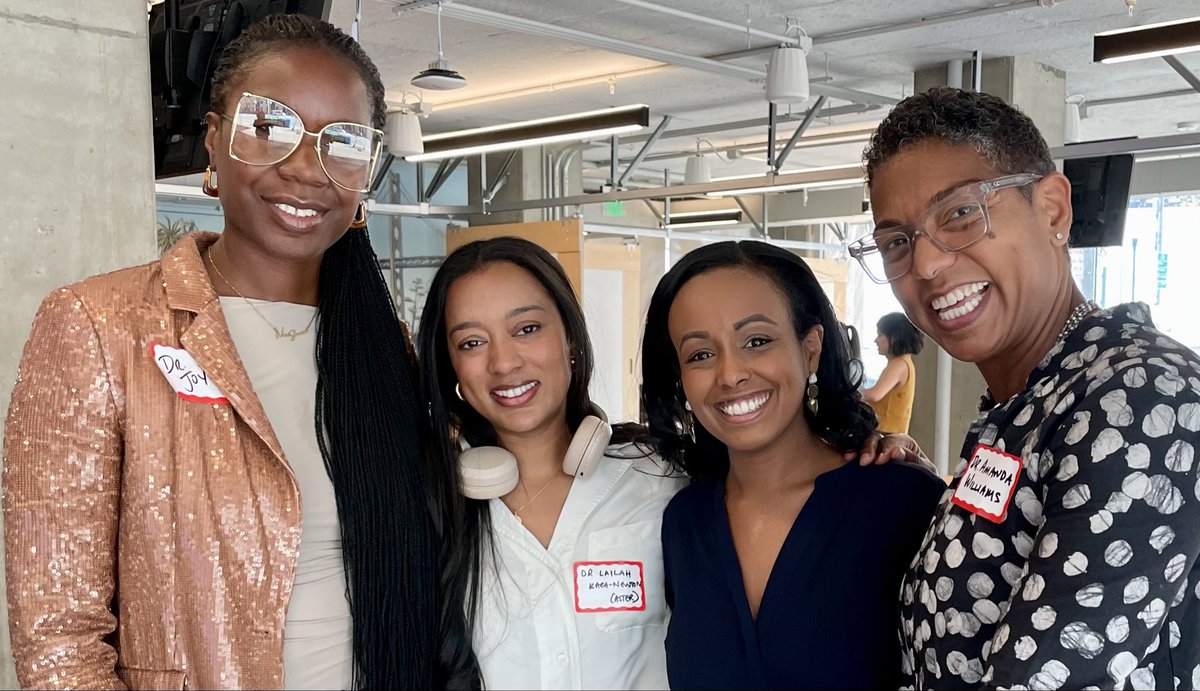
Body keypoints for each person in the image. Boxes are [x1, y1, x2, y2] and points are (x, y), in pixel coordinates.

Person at [3, 15, 472, 690]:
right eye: (270, 127)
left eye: (344, 142)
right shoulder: (101, 327)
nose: (307, 168)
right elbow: (59, 642)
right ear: (215, 144)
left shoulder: (380, 344)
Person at [854, 86, 1200, 689]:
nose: (928, 265)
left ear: (1053, 211)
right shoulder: (1026, 405)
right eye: (896, 242)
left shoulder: (1142, 397)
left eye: (960, 213)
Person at [640, 240, 945, 689]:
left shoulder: (902, 504)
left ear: (810, 348)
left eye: (757, 341)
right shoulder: (682, 523)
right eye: (701, 354)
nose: (729, 374)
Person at [417, 237, 684, 690]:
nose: (503, 363)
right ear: (451, 369)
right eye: (472, 342)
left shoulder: (660, 479)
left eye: (526, 329)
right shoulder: (430, 505)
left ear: (571, 339)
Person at [862, 312, 925, 434]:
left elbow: (874, 394)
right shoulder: (903, 362)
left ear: (895, 338)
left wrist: (848, 393)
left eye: (880, 335)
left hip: (886, 435)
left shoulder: (899, 364)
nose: (876, 340)